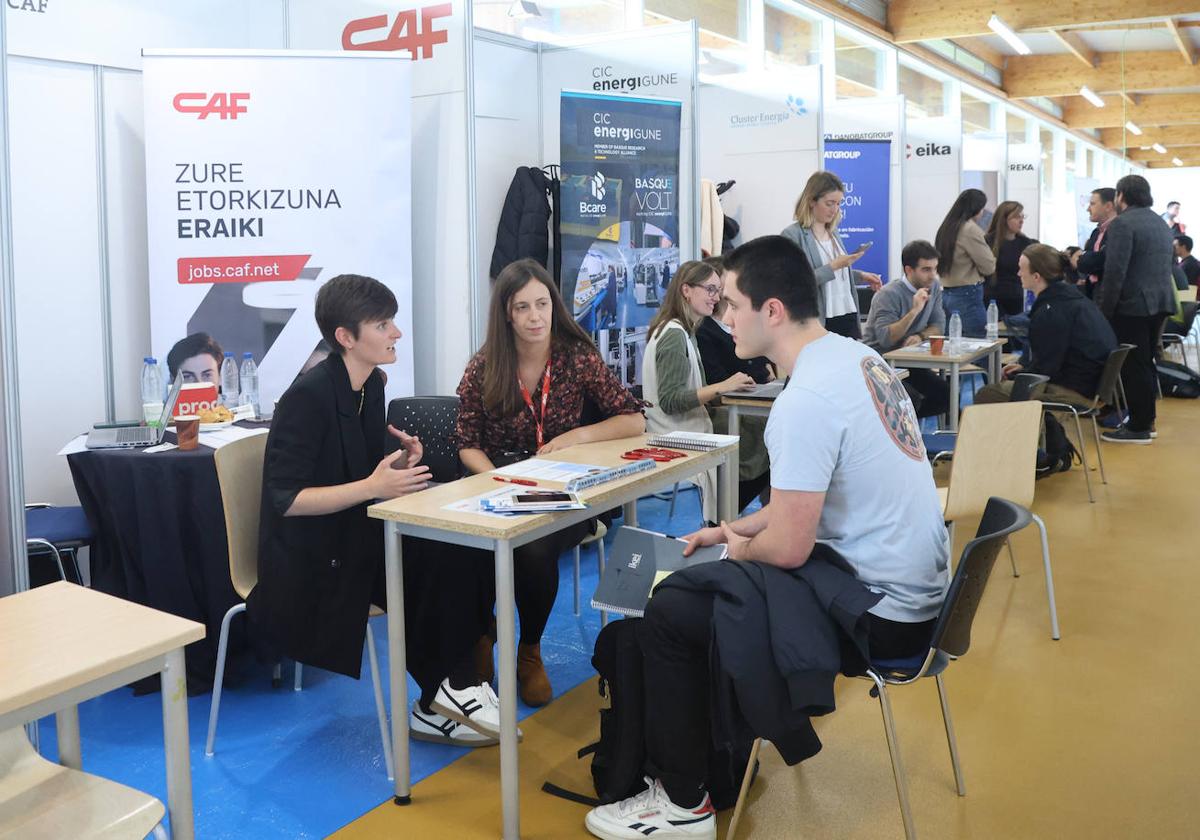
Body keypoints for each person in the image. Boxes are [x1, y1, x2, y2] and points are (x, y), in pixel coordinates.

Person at [583, 235, 948, 840]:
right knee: (699, 585)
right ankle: (711, 761)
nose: (723, 317)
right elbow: (798, 505)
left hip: (880, 612)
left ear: (771, 311)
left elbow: (786, 549)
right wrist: (728, 530)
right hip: (917, 594)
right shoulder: (858, 359)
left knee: (673, 609)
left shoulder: (803, 401)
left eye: (730, 303)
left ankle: (682, 801)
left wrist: (730, 550)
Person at [249, 274, 500, 750]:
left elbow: (360, 471)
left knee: (461, 549)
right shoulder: (307, 396)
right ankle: (445, 691)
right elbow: (288, 500)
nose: (396, 334)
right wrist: (373, 485)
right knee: (433, 562)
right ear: (346, 337)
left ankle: (446, 691)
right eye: (383, 325)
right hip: (312, 556)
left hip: (352, 534)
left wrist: (398, 462)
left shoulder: (371, 385)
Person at [455, 258, 644, 706]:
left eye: (542, 304)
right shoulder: (483, 365)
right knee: (469, 543)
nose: (535, 316)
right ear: (507, 313)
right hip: (498, 478)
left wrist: (577, 434)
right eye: (523, 307)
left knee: (535, 547)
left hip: (564, 483)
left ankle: (529, 651)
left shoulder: (576, 355)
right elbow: (465, 441)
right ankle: (482, 638)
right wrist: (499, 479)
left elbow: (632, 419)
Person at [643, 260, 770, 520]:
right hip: (680, 436)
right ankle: (729, 514)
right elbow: (670, 400)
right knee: (765, 439)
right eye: (710, 290)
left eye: (718, 291)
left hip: (687, 430)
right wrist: (723, 387)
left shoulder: (678, 331)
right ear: (686, 290)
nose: (716, 298)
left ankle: (730, 513)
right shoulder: (674, 335)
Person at [975, 244, 1117, 408]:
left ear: (1036, 277)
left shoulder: (1052, 311)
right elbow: (1052, 357)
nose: (1018, 274)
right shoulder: (1072, 300)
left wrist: (1022, 373)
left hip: (1074, 390)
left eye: (1021, 269)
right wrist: (1024, 367)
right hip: (1090, 385)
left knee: (987, 394)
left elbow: (1047, 368)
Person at [1098, 175, 1176, 444]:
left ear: (1121, 196)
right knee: (1145, 362)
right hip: (1160, 302)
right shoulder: (1160, 223)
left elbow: (1115, 272)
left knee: (1133, 365)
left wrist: (1103, 312)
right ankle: (1147, 420)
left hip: (1133, 305)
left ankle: (1139, 427)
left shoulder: (1123, 224)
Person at [781, 170, 882, 339]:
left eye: (839, 204)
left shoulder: (833, 232)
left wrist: (861, 276)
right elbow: (796, 283)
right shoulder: (793, 235)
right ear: (812, 201)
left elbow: (836, 275)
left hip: (846, 311)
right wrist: (835, 265)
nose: (835, 209)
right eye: (829, 203)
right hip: (821, 317)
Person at [863, 240, 950, 418]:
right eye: (926, 269)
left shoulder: (933, 287)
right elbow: (886, 338)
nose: (933, 275)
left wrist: (920, 335)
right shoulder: (888, 294)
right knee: (910, 399)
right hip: (881, 363)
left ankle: (909, 429)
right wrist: (915, 310)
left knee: (946, 394)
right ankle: (901, 432)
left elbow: (939, 326)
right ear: (909, 270)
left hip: (909, 360)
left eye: (935, 268)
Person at [694, 257, 774, 386]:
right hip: (736, 399)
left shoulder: (746, 316)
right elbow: (716, 378)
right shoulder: (703, 329)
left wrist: (770, 378)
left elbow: (763, 359)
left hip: (761, 390)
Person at [934, 188, 995, 337]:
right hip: (968, 294)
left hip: (947, 293)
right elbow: (988, 267)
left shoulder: (946, 227)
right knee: (979, 344)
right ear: (976, 209)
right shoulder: (970, 229)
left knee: (952, 343)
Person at [984, 201, 1037, 316]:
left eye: (1023, 216)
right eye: (1017, 217)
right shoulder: (988, 242)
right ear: (1004, 219)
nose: (1021, 220)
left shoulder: (1027, 243)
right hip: (993, 300)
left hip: (1019, 300)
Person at [1077, 187, 1118, 300]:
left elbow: (1104, 261)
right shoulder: (1096, 232)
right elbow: (1084, 262)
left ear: (1108, 206)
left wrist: (1088, 259)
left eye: (1092, 204)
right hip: (1094, 293)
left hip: (1110, 294)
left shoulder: (1120, 231)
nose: (1088, 209)